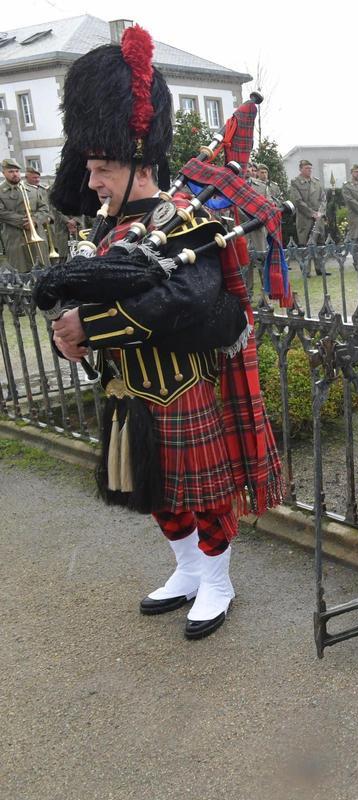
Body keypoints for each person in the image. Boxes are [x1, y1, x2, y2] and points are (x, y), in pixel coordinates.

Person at [42, 25, 282, 640]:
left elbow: (185, 301)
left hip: (181, 387)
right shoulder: (108, 230)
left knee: (203, 495)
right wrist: (67, 333)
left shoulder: (187, 223)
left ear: (137, 163)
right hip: (130, 392)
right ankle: (186, 571)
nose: (91, 181)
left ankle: (219, 581)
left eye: (101, 168)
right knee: (153, 493)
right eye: (91, 168)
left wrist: (89, 326)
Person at [0, 157, 50, 271]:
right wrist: (24, 221)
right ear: (4, 173)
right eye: (11, 172)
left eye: (17, 171)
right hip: (15, 238)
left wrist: (35, 220)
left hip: (37, 234)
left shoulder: (32, 190)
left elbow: (44, 209)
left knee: (42, 268)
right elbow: (1, 212)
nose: (15, 174)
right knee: (21, 270)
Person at [288, 159, 326, 275]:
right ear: (300, 169)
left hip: (318, 217)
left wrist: (320, 212)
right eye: (306, 168)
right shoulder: (295, 182)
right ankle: (306, 270)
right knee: (305, 244)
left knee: (320, 243)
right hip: (305, 218)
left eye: (310, 168)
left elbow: (323, 199)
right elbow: (297, 201)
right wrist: (311, 213)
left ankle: (320, 269)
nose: (309, 170)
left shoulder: (317, 182)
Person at [24, 164, 65, 263]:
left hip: (48, 222)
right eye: (34, 177)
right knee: (40, 251)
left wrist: (50, 217)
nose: (37, 179)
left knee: (54, 246)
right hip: (36, 224)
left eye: (38, 177)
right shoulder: (24, 189)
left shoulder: (42, 189)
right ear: (27, 177)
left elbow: (50, 205)